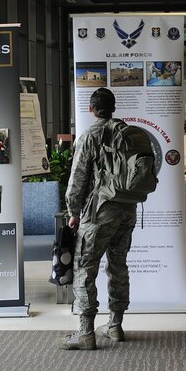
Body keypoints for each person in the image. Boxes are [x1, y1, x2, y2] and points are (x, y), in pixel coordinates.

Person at [60, 87, 137, 351]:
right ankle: (115, 325)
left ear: (91, 109)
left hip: (99, 212)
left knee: (85, 267)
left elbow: (78, 178)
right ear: (112, 107)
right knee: (118, 266)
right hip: (127, 210)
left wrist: (72, 212)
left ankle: (85, 332)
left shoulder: (91, 135)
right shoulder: (127, 133)